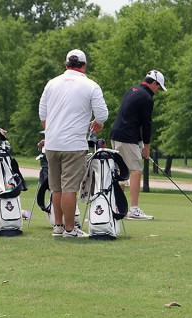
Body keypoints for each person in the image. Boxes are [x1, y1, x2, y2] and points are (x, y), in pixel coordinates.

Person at [39, 49, 108, 238]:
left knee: (56, 187)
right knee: (69, 188)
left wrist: (53, 130)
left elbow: (42, 115)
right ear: (84, 66)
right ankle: (70, 230)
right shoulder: (90, 85)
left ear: (66, 64)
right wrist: (97, 124)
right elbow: (102, 115)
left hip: (52, 144)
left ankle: (58, 226)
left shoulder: (51, 83)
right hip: (74, 144)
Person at [110, 70, 167, 220]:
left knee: (121, 174)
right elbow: (146, 124)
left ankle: (115, 207)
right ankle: (133, 210)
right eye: (159, 87)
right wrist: (147, 147)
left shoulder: (133, 90)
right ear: (153, 83)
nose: (158, 90)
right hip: (127, 137)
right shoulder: (147, 97)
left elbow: (135, 119)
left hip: (117, 134)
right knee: (136, 170)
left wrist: (140, 143)